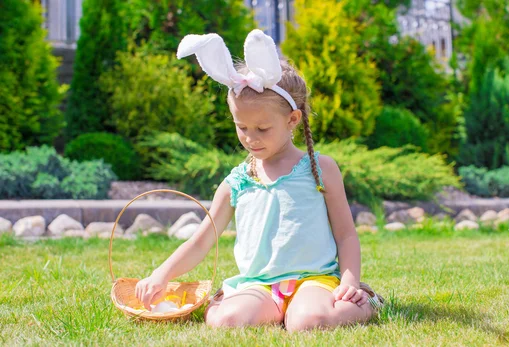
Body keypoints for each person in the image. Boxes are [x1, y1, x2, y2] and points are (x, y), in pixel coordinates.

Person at [134, 29, 383, 331]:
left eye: (262, 129)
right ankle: (244, 305)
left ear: (292, 120)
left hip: (313, 280)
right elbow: (202, 241)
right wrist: (161, 274)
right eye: (242, 127)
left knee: (308, 322)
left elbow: (346, 235)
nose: (250, 138)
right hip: (258, 285)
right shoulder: (237, 182)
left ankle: (367, 303)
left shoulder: (321, 169)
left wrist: (349, 281)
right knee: (226, 320)